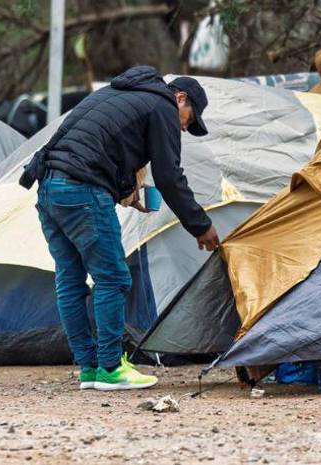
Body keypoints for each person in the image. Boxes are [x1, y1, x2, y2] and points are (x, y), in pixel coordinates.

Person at [20, 66, 220, 391]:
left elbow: (93, 144)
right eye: (190, 118)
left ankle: (90, 368)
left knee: (70, 279)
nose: (184, 127)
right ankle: (111, 367)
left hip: (49, 187)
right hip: (83, 190)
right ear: (180, 98)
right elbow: (169, 176)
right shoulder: (162, 106)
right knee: (113, 277)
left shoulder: (116, 94)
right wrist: (201, 225)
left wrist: (126, 191)